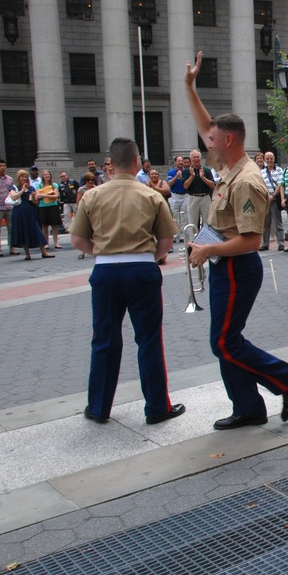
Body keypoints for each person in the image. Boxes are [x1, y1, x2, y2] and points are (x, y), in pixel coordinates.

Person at [184, 51, 288, 429]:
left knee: (223, 342)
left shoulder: (247, 179)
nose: (208, 141)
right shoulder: (229, 166)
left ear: (231, 139)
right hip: (226, 267)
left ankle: (287, 379)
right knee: (227, 340)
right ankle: (248, 407)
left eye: (214, 138)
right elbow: (206, 123)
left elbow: (252, 241)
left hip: (238, 267)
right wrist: (189, 87)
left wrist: (207, 248)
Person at [69, 138, 184, 425]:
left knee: (104, 340)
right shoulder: (151, 196)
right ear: (136, 162)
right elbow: (167, 241)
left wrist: (105, 251)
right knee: (148, 340)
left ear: (111, 162)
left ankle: (98, 407)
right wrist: (148, 256)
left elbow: (77, 240)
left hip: (106, 271)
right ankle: (157, 407)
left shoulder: (92, 195)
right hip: (142, 268)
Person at [8, 170, 54, 260]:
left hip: (30, 212)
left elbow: (36, 203)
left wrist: (33, 196)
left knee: (37, 230)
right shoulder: (13, 187)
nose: (24, 178)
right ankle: (27, 254)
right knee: (23, 231)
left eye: (25, 176)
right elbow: (14, 197)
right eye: (22, 176)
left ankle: (44, 252)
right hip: (19, 213)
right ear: (18, 177)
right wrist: (22, 190)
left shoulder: (31, 188)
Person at [259, 151, 285, 251]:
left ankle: (281, 243)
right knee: (266, 222)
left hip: (275, 199)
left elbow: (280, 184)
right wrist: (266, 196)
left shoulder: (279, 170)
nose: (269, 160)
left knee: (278, 222)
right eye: (268, 158)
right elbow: (260, 184)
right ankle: (265, 243)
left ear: (274, 159)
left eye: (271, 158)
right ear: (265, 160)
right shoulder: (261, 172)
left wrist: (273, 195)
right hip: (265, 200)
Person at [183, 149, 215, 231]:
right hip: (193, 198)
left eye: (198, 157)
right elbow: (185, 186)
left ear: (200, 159)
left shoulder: (206, 170)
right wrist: (192, 176)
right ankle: (193, 241)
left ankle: (206, 241)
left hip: (205, 197)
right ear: (191, 159)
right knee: (192, 223)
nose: (196, 159)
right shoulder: (187, 171)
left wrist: (203, 178)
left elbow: (212, 185)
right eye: (194, 157)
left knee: (207, 222)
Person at [36, 170, 63, 249]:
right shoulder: (39, 186)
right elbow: (37, 196)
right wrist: (48, 194)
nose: (47, 176)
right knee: (45, 226)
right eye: (45, 174)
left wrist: (43, 194)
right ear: (42, 176)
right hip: (43, 206)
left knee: (54, 225)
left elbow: (55, 196)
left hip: (53, 206)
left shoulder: (54, 185)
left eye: (48, 174)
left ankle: (56, 243)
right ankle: (46, 243)